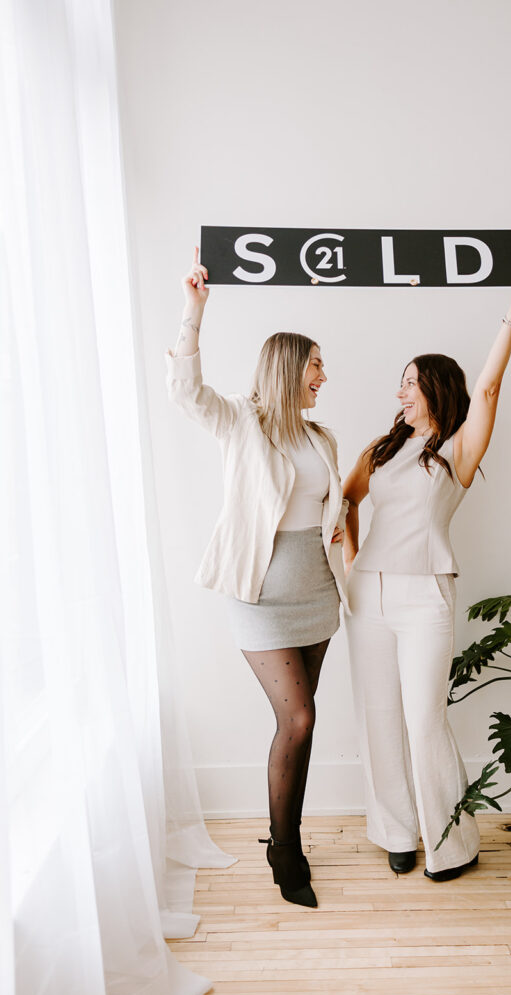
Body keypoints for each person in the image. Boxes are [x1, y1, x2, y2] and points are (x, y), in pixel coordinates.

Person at [343, 258, 511, 880]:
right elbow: (347, 502)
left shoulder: (457, 448)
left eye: (410, 383)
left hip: (427, 593)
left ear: (434, 389)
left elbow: (487, 389)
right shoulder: (379, 450)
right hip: (368, 594)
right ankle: (396, 831)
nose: (399, 392)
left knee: (424, 717)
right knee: (378, 715)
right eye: (398, 382)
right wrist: (354, 565)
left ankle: (449, 844)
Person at [166, 248, 348, 908]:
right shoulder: (240, 422)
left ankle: (284, 835)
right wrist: (194, 310)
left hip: (317, 594)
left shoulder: (321, 437)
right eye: (317, 364)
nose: (324, 374)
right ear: (290, 367)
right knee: (295, 719)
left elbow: (330, 511)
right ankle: (285, 847)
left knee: (305, 723)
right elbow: (184, 393)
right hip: (260, 594)